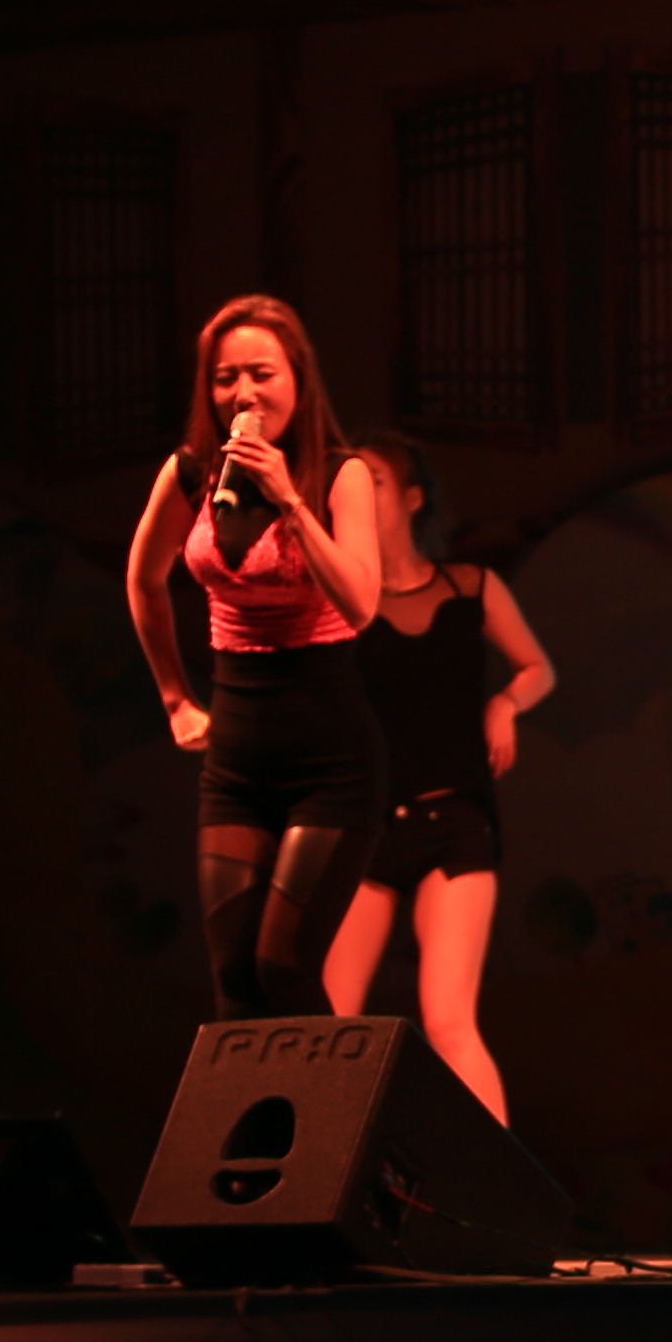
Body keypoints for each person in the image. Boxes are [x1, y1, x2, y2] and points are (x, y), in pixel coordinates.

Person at [125, 295, 395, 1021]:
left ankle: (339, 1097)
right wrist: (175, 698)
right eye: (225, 378)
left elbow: (361, 604)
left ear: (298, 379)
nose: (243, 393)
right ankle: (255, 1105)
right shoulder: (191, 474)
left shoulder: (340, 475)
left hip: (330, 755)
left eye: (262, 374)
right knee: (235, 980)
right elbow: (144, 579)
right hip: (239, 754)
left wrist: (287, 498)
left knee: (284, 966)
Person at [324, 438, 559, 1116]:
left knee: (449, 1021)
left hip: (453, 824)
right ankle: (332, 1169)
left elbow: (537, 668)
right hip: (369, 827)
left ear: (411, 498)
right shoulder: (342, 605)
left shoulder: (470, 587)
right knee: (328, 1026)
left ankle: (496, 1179)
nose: (355, 490)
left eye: (371, 478)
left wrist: (505, 703)